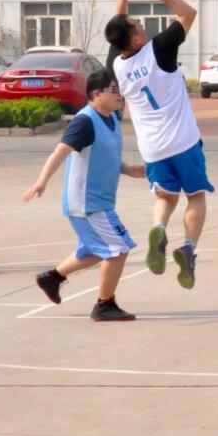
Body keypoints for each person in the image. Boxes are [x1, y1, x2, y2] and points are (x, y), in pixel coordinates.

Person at [106, 0, 214, 290]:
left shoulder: (117, 65)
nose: (142, 24)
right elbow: (188, 13)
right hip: (183, 140)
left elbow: (116, 29)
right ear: (136, 38)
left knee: (165, 196)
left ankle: (159, 228)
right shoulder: (159, 49)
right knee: (196, 196)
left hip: (152, 148)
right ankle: (188, 248)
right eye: (138, 24)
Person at [23, 70, 146, 321]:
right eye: (114, 90)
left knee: (94, 251)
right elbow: (59, 152)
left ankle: (52, 278)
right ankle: (104, 305)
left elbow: (106, 154)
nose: (119, 95)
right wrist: (41, 183)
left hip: (100, 201)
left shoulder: (111, 119)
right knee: (118, 248)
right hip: (86, 203)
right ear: (96, 94)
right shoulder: (85, 121)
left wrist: (128, 170)